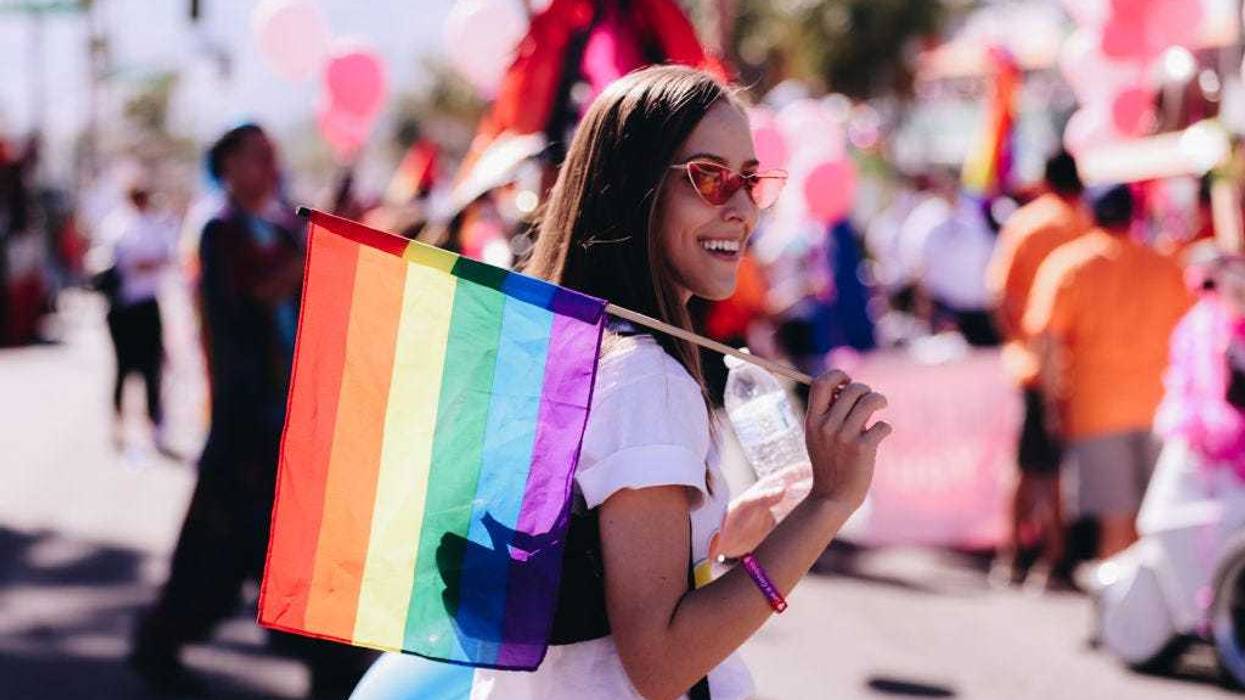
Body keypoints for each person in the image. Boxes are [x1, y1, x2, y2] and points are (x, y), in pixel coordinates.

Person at [434, 65, 887, 699]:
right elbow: (662, 663)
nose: (739, 208)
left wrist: (718, 539)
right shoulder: (645, 377)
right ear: (635, 189)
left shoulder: (566, 348)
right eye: (709, 177)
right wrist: (826, 505)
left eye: (751, 181)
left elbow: (579, 569)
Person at [130, 124, 371, 697]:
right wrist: (316, 246)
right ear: (228, 165)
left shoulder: (282, 222)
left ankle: (324, 663)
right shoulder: (218, 229)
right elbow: (255, 295)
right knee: (224, 550)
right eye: (257, 156)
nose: (269, 164)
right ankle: (163, 644)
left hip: (287, 416)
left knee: (272, 548)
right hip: (246, 419)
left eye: (272, 154)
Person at [1023, 185, 1191, 560]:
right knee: (1158, 524)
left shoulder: (1068, 265)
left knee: (1115, 527)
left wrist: (1052, 406)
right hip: (1160, 409)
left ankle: (1120, 615)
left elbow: (1047, 343)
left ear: (1089, 213)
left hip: (1096, 412)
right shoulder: (1166, 265)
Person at [985, 150, 1091, 586]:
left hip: (1033, 364)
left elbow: (998, 294)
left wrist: (1020, 341)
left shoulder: (1027, 223)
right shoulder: (1083, 221)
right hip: (1074, 365)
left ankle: (1018, 556)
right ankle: (1046, 556)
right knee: (1050, 466)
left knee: (1031, 465)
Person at [97, 177, 178, 454]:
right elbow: (126, 262)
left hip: (146, 304)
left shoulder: (151, 224)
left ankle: (152, 423)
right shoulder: (119, 225)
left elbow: (164, 257)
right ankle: (119, 424)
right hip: (123, 307)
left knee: (151, 367)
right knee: (124, 367)